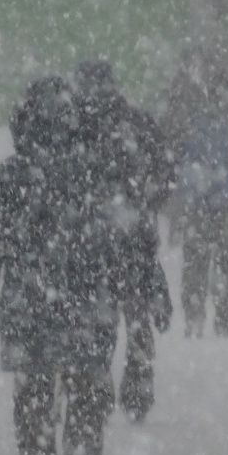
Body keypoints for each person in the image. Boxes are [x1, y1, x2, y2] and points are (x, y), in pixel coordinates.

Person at [0, 77, 147, 455]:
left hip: (27, 306)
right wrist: (138, 292)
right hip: (90, 305)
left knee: (31, 400)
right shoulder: (100, 172)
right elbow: (125, 239)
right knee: (89, 391)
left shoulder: (14, 175)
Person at [72, 60, 173, 423]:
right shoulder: (137, 123)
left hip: (90, 240)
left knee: (98, 316)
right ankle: (136, 388)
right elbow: (166, 173)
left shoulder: (74, 127)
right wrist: (145, 204)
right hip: (134, 236)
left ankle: (97, 383)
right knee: (137, 312)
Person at [168, 52, 228, 338]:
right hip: (223, 199)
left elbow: (178, 151)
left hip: (198, 200)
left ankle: (195, 314)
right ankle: (222, 319)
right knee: (222, 260)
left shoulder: (187, 110)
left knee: (197, 261)